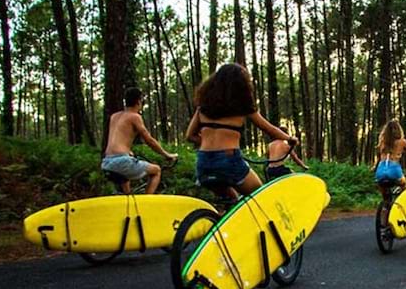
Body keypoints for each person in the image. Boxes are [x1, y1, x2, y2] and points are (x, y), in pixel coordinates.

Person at [185, 63, 298, 199]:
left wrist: (210, 144)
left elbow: (190, 136)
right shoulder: (243, 107)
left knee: (232, 203)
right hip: (229, 160)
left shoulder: (202, 108)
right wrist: (290, 139)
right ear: (241, 86)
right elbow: (270, 129)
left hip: (204, 162)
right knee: (260, 197)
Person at [101, 87, 178, 194]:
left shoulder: (114, 116)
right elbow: (149, 140)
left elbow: (118, 140)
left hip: (106, 163)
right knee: (156, 170)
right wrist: (167, 155)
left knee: (125, 173)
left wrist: (127, 152)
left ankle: (128, 199)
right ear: (138, 101)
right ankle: (146, 203)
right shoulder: (135, 117)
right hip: (121, 162)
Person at [374, 119, 406, 200]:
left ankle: (385, 205)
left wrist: (374, 168)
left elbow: (379, 158)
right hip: (394, 170)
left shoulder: (382, 142)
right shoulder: (402, 142)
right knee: (404, 185)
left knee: (383, 189)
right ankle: (403, 202)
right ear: (399, 130)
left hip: (380, 171)